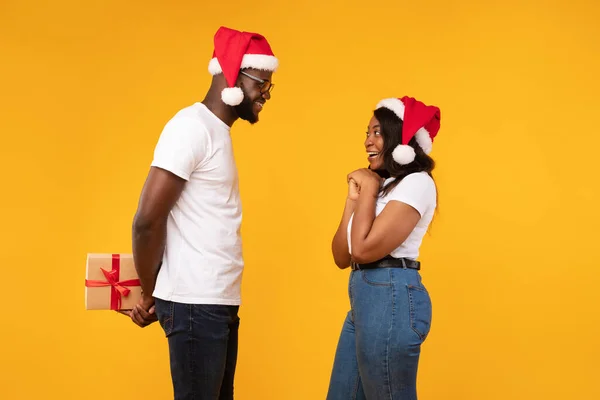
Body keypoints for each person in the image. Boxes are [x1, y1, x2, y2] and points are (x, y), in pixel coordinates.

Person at [125, 26, 279, 399]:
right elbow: (147, 220)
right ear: (232, 76)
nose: (266, 96)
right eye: (262, 83)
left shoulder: (216, 132)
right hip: (196, 305)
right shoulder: (190, 128)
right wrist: (149, 291)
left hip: (216, 303)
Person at [327, 96, 442, 399]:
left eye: (377, 132)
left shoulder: (417, 183)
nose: (368, 141)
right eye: (366, 133)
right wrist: (354, 197)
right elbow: (342, 256)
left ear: (401, 141)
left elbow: (363, 251)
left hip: (391, 298)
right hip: (365, 301)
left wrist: (369, 188)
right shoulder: (379, 188)